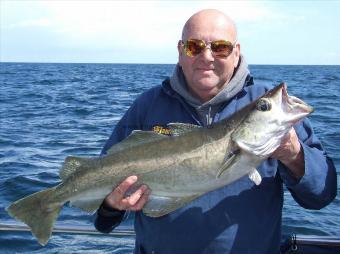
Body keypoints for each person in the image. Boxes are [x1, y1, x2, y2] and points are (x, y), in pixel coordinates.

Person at [94, 9, 337, 253]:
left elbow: (320, 195)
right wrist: (111, 205)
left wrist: (293, 154)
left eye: (220, 47)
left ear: (236, 53)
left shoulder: (269, 109)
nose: (207, 56)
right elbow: (103, 219)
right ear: (180, 52)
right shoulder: (147, 106)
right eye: (194, 47)